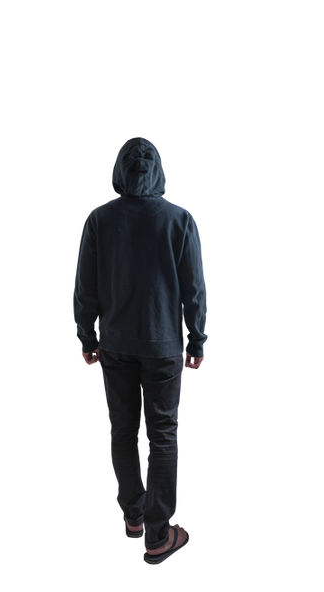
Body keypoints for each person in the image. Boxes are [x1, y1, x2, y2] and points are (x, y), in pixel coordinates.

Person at [70, 133, 211, 568]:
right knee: (163, 435)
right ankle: (158, 537)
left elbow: (84, 288)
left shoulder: (98, 217)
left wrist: (86, 340)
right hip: (165, 346)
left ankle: (133, 520)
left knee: (122, 430)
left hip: (115, 345)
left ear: (117, 170)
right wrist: (198, 341)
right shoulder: (180, 217)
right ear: (161, 170)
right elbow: (195, 288)